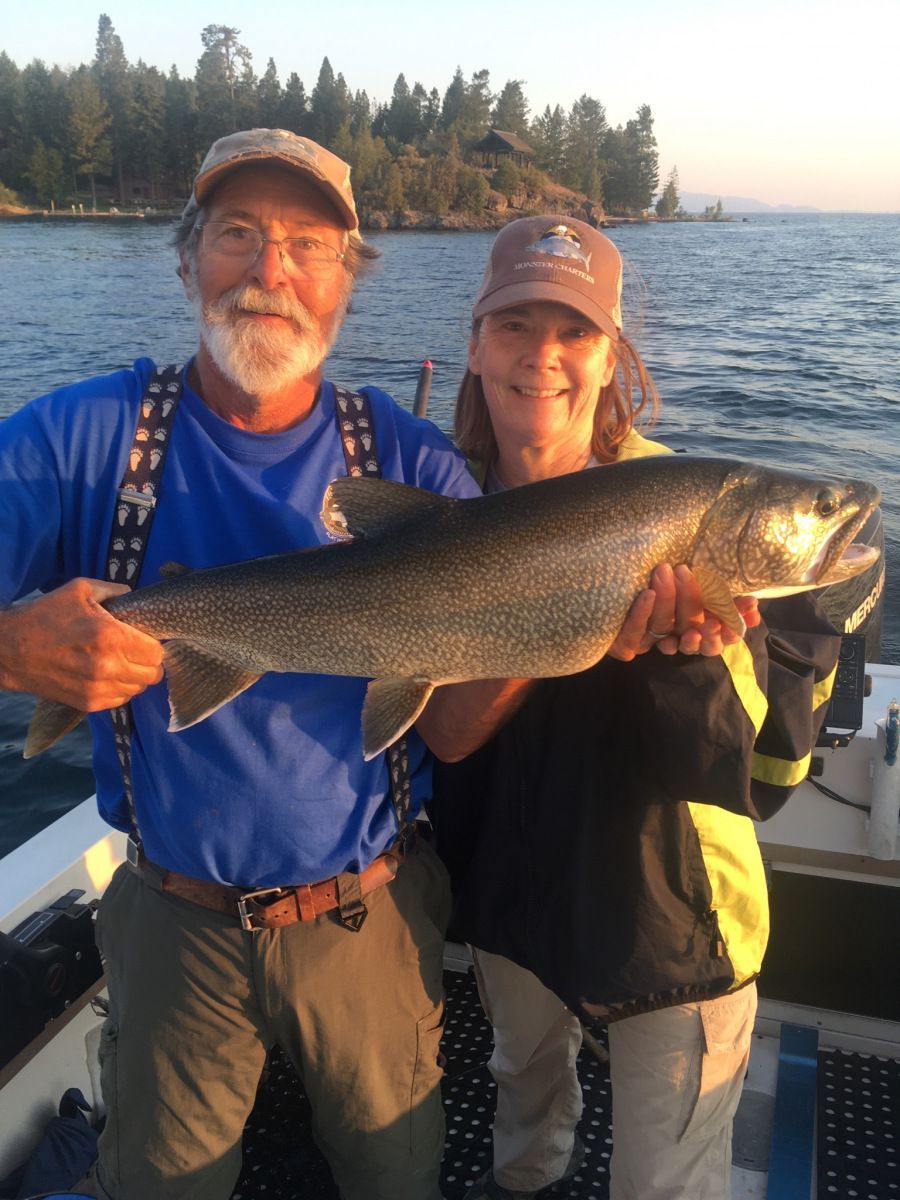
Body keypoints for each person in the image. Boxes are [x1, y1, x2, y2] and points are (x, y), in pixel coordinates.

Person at [0, 128, 494, 1200]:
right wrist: (10, 644)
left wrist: (583, 622)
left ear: (346, 284)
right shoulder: (86, 436)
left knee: (395, 1181)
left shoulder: (409, 462)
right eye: (239, 235)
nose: (273, 270)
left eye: (310, 245)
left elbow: (452, 730)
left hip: (371, 916)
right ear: (187, 262)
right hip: (169, 923)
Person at [427, 216, 842, 1200]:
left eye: (575, 332)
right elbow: (438, 734)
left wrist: (690, 655)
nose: (545, 357)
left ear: (612, 355)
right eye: (517, 325)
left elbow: (764, 772)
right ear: (477, 341)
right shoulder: (442, 504)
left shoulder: (699, 512)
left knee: (662, 1181)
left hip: (675, 918)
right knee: (522, 1120)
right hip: (512, 899)